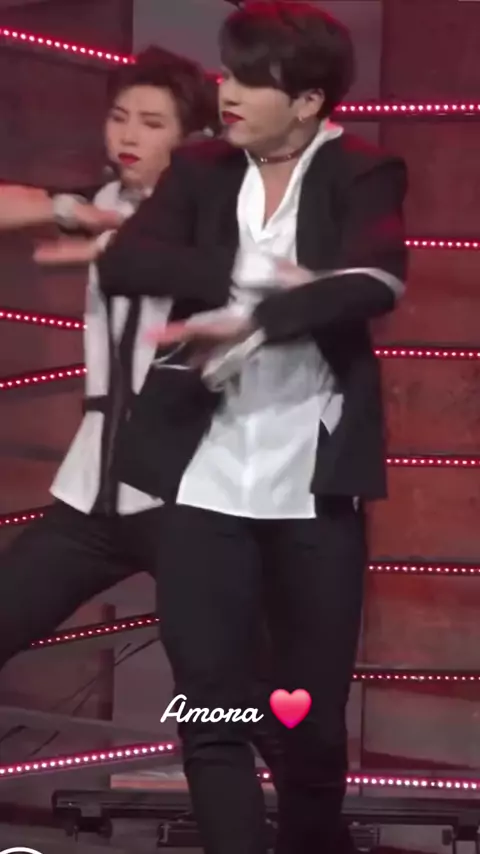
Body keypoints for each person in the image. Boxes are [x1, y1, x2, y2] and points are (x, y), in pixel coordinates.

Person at [93, 3, 408, 853]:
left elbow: (376, 279)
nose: (224, 91)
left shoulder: (363, 171)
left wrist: (262, 317)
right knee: (211, 712)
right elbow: (126, 262)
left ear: (306, 101)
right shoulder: (200, 169)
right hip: (202, 480)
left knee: (310, 723)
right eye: (226, 73)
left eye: (247, 79)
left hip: (313, 486)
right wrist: (253, 272)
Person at [0, 46, 286, 784]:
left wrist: (105, 241)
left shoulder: (223, 220)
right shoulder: (102, 201)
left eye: (152, 122)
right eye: (120, 115)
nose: (127, 133)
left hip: (184, 492)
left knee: (241, 691)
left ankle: (315, 819)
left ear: (194, 141)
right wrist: (66, 210)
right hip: (91, 495)